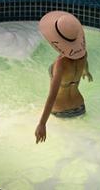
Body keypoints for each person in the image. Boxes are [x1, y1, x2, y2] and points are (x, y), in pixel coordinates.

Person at [35, 11, 92, 143]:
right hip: (80, 107)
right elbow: (85, 62)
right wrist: (86, 71)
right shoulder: (83, 55)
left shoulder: (61, 64)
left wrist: (42, 124)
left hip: (60, 112)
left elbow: (52, 96)